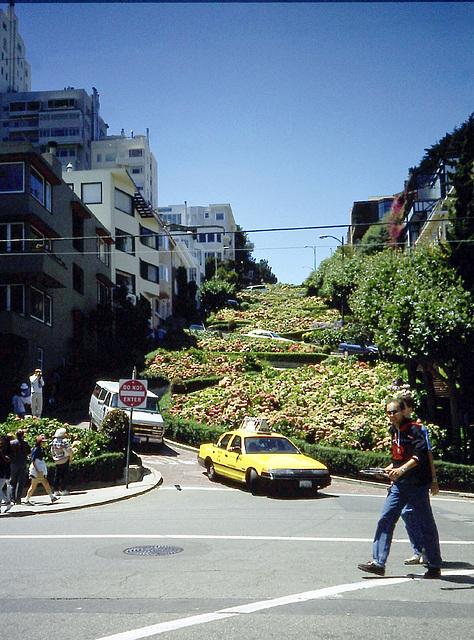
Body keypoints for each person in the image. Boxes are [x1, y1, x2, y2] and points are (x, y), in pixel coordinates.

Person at [358, 397, 442, 579]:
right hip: (399, 485)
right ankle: (378, 563)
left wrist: (403, 470)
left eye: (395, 411)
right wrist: (388, 470)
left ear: (404, 411)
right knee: (385, 519)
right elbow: (399, 458)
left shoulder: (415, 429)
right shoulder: (393, 431)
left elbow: (420, 455)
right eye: (388, 412)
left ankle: (434, 564)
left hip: (417, 485)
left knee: (425, 524)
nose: (391, 416)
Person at [399, 395, 439, 565]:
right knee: (407, 513)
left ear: (410, 409)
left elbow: (427, 454)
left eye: (404, 408)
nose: (400, 412)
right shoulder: (398, 428)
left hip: (419, 481)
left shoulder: (418, 428)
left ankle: (427, 553)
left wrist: (434, 480)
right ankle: (420, 551)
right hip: (404, 480)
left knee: (418, 516)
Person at [25, 436, 58, 505]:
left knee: (45, 483)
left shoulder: (40, 449)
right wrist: (37, 470)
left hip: (40, 470)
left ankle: (52, 497)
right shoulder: (36, 449)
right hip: (36, 470)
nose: (44, 443)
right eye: (43, 442)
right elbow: (33, 460)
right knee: (33, 486)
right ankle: (26, 500)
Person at [9, 429, 31, 504]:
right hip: (22, 463)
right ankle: (18, 498)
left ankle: (12, 498)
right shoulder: (25, 444)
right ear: (23, 435)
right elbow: (29, 454)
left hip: (13, 463)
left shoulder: (11, 443)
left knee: (12, 481)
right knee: (21, 481)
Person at [51, 427, 73, 495]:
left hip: (57, 460)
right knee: (64, 475)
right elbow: (69, 450)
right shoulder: (64, 441)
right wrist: (71, 458)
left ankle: (56, 490)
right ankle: (63, 489)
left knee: (57, 474)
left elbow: (52, 451)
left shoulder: (54, 441)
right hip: (64, 459)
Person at [0, 435, 13, 513]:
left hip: (3, 472)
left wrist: (1, 453)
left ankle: (8, 502)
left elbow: (8, 460)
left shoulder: (7, 450)